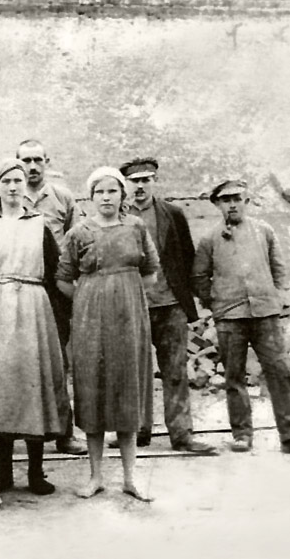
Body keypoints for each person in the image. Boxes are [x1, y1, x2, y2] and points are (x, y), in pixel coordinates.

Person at [0, 160, 69, 496]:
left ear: (26, 186)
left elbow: (57, 276)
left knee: (33, 388)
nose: (13, 187)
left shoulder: (40, 226)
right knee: (1, 391)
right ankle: (4, 473)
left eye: (18, 181)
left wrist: (61, 321)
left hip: (35, 312)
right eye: (6, 181)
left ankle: (36, 472)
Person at [56, 167, 160, 502]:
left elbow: (151, 274)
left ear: (122, 195)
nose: (106, 198)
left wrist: (123, 294)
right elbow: (63, 278)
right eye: (99, 192)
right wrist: (90, 299)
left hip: (129, 319)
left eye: (112, 191)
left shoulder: (136, 227)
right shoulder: (78, 233)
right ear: (90, 197)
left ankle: (131, 477)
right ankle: (96, 476)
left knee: (127, 390)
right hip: (90, 322)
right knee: (92, 392)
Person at [120, 158, 217, 455]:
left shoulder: (172, 214)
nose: (140, 186)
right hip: (132, 304)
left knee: (175, 371)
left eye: (146, 180)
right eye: (134, 181)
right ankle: (138, 432)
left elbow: (187, 257)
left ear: (155, 182)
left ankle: (182, 435)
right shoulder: (117, 216)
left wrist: (194, 298)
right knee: (134, 372)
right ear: (126, 184)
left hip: (170, 304)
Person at [193, 179, 290, 455]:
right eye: (226, 200)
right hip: (230, 317)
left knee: (279, 372)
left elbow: (279, 268)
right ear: (217, 204)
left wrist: (280, 298)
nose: (232, 204)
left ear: (246, 201)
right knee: (234, 375)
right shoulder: (209, 239)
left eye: (237, 198)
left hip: (266, 314)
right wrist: (215, 303)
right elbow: (199, 276)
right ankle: (242, 434)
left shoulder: (264, 231)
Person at [17, 139, 86, 457]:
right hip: (18, 286)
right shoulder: (7, 195)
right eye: (25, 161)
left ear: (47, 161)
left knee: (57, 361)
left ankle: (64, 433)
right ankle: (13, 432)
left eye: (37, 160)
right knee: (17, 361)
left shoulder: (62, 197)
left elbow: (78, 242)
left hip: (54, 289)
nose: (32, 167)